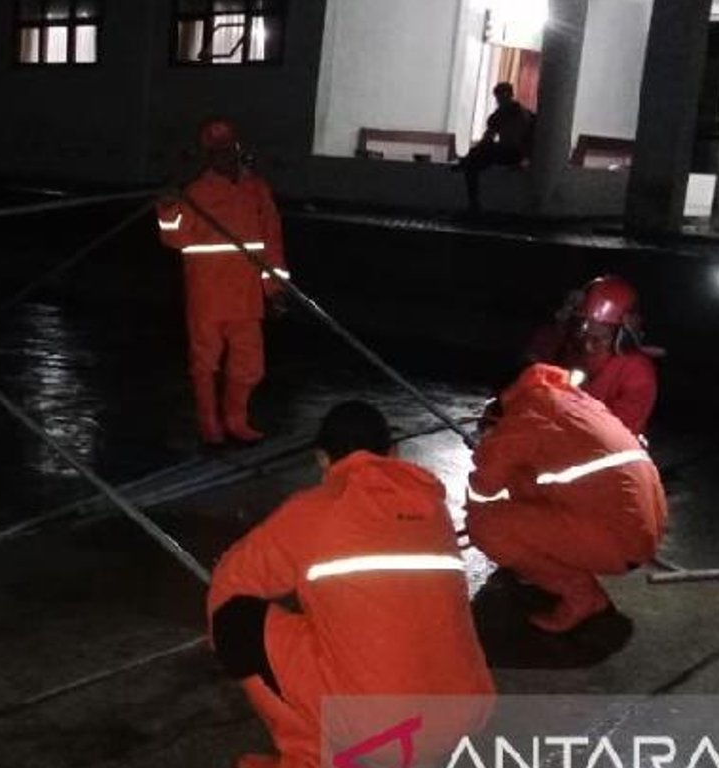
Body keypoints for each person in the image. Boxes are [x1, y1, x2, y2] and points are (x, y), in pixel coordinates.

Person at [208, 401, 493, 768]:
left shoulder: (312, 511)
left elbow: (230, 583)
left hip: (383, 732)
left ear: (322, 459)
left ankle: (309, 757)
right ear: (393, 452)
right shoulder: (433, 507)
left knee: (234, 621)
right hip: (464, 715)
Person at [466, 364, 668, 633]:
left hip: (617, 540)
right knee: (522, 475)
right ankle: (542, 563)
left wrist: (490, 444)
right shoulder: (572, 402)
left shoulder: (525, 417)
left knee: (485, 526)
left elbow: (483, 490)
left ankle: (582, 596)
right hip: (639, 531)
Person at [156, 118, 287, 445]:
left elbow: (272, 243)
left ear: (238, 149)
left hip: (246, 297)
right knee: (205, 363)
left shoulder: (257, 191)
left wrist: (275, 289)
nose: (224, 156)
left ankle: (236, 421)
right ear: (207, 156)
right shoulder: (195, 193)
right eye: (216, 151)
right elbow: (173, 239)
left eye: (228, 149)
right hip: (208, 296)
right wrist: (168, 207)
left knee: (249, 365)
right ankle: (210, 426)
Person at [526, 276, 660, 436]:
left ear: (622, 333)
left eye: (600, 332)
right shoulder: (567, 348)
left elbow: (619, 430)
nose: (587, 340)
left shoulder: (637, 370)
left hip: (606, 446)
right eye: (583, 325)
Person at [457, 82, 534, 213]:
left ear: (510, 96)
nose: (500, 101)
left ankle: (473, 202)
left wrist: (526, 159)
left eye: (503, 97)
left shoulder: (522, 115)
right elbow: (488, 137)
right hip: (507, 151)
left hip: (515, 154)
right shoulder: (500, 115)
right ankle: (473, 201)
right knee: (474, 162)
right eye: (499, 98)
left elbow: (525, 141)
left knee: (475, 160)